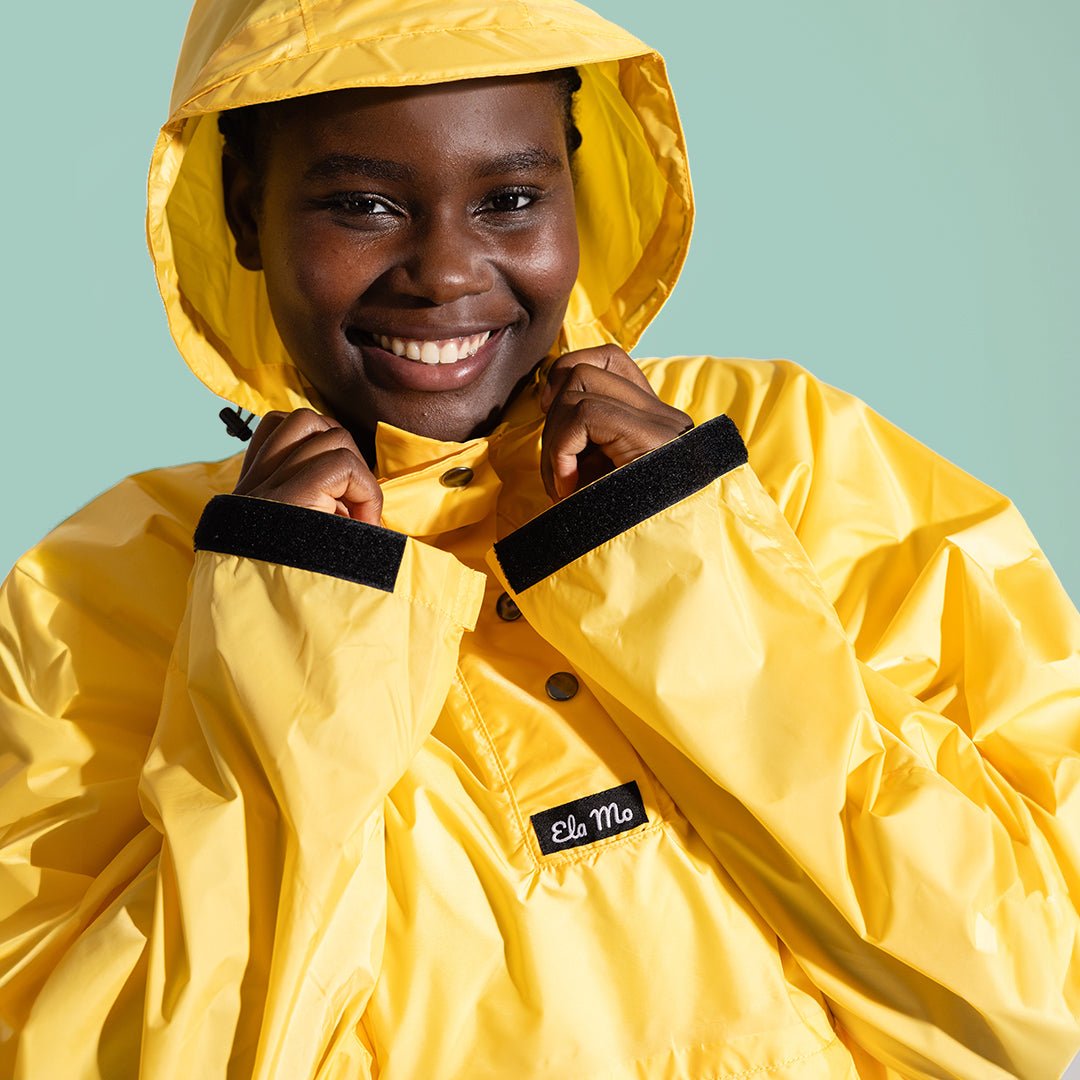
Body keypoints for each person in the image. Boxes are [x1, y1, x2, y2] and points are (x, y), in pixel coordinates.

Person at [0, 0, 1077, 1076]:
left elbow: (1024, 1000)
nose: (446, 271)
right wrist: (286, 637)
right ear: (245, 209)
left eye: (510, 199)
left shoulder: (788, 460)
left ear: (577, 179)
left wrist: (682, 558)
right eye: (364, 205)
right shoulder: (102, 595)